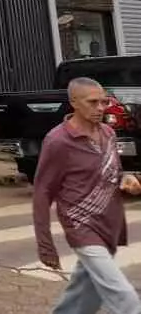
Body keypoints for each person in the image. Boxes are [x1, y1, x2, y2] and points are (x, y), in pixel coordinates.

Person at [33, 77, 141, 313]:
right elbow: (42, 192)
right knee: (126, 300)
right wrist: (45, 245)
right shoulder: (58, 141)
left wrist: (127, 180)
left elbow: (113, 172)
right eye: (92, 103)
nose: (100, 108)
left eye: (103, 102)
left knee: (83, 297)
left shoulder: (108, 133)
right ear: (74, 102)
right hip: (82, 227)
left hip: (109, 225)